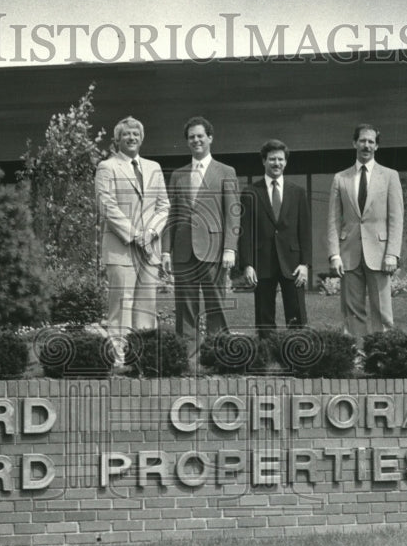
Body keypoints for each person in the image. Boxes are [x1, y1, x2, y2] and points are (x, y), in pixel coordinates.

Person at [95, 116, 170, 364]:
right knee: (122, 307)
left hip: (149, 250)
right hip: (121, 250)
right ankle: (119, 361)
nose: (132, 138)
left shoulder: (153, 167)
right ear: (117, 139)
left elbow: (164, 207)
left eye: (136, 134)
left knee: (147, 307)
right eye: (126, 134)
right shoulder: (107, 167)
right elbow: (107, 206)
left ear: (142, 138)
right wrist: (136, 235)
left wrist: (150, 234)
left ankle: (145, 360)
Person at [161, 115, 240, 344]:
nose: (196, 140)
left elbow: (232, 214)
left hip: (214, 249)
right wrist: (166, 250)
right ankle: (188, 358)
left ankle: (218, 353)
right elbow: (172, 215)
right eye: (191, 137)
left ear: (210, 138)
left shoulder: (226, 171)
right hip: (183, 251)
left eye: (200, 136)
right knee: (185, 306)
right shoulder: (178, 175)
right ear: (187, 141)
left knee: (215, 304)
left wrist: (230, 249)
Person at [327, 125, 403, 337]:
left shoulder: (390, 176)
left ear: (376, 146)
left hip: (380, 254)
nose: (366, 145)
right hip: (349, 253)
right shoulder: (340, 178)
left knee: (382, 311)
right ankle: (357, 355)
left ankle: (382, 356)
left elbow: (397, 219)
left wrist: (392, 253)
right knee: (352, 311)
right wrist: (334, 254)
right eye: (362, 141)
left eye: (371, 142)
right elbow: (333, 220)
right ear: (354, 143)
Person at [238, 139, 310, 335]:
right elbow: (245, 231)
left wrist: (305, 264)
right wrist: (247, 264)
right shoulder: (250, 192)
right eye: (272, 159)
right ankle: (266, 354)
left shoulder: (298, 193)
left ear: (285, 162)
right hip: (263, 262)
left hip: (293, 263)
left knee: (297, 313)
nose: (276, 163)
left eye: (280, 159)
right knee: (264, 314)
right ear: (264, 161)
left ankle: (297, 353)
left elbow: (304, 230)